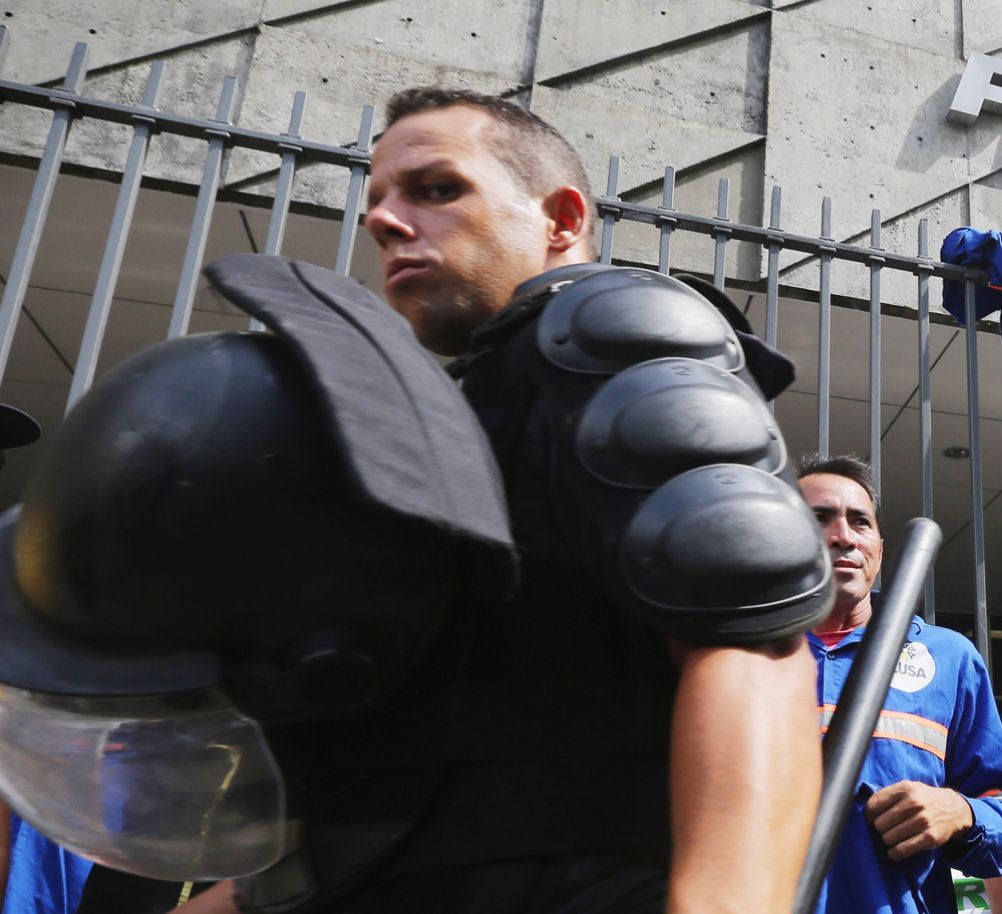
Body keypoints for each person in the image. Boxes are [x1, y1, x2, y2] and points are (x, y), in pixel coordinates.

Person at [0, 87, 831, 914]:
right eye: (378, 202)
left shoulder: (610, 330)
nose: (385, 220)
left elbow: (749, 637)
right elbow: (400, 789)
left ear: (562, 218)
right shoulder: (462, 412)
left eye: (437, 189)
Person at [796, 454, 1002, 914]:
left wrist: (961, 813)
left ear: (879, 548)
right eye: (819, 518)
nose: (843, 536)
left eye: (859, 522)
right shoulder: (737, 655)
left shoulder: (949, 658)